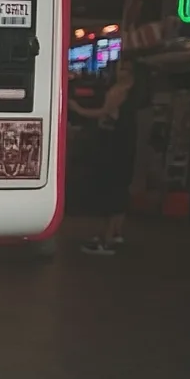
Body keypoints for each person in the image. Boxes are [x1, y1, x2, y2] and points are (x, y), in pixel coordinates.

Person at [69, 59, 141, 254]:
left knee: (111, 190)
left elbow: (104, 112)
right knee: (120, 189)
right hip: (126, 144)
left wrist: (77, 108)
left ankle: (106, 240)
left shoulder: (119, 90)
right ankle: (115, 233)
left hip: (114, 145)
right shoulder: (134, 92)